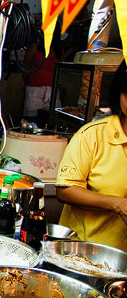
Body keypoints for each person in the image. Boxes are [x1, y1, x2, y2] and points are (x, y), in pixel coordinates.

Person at [55, 61, 127, 249]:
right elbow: (65, 190)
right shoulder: (91, 136)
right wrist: (117, 204)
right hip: (84, 252)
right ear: (118, 94)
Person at [23, 23, 62, 123]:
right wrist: (29, 86)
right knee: (31, 122)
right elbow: (25, 70)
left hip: (52, 90)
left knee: (52, 121)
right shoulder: (34, 48)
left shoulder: (58, 50)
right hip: (34, 88)